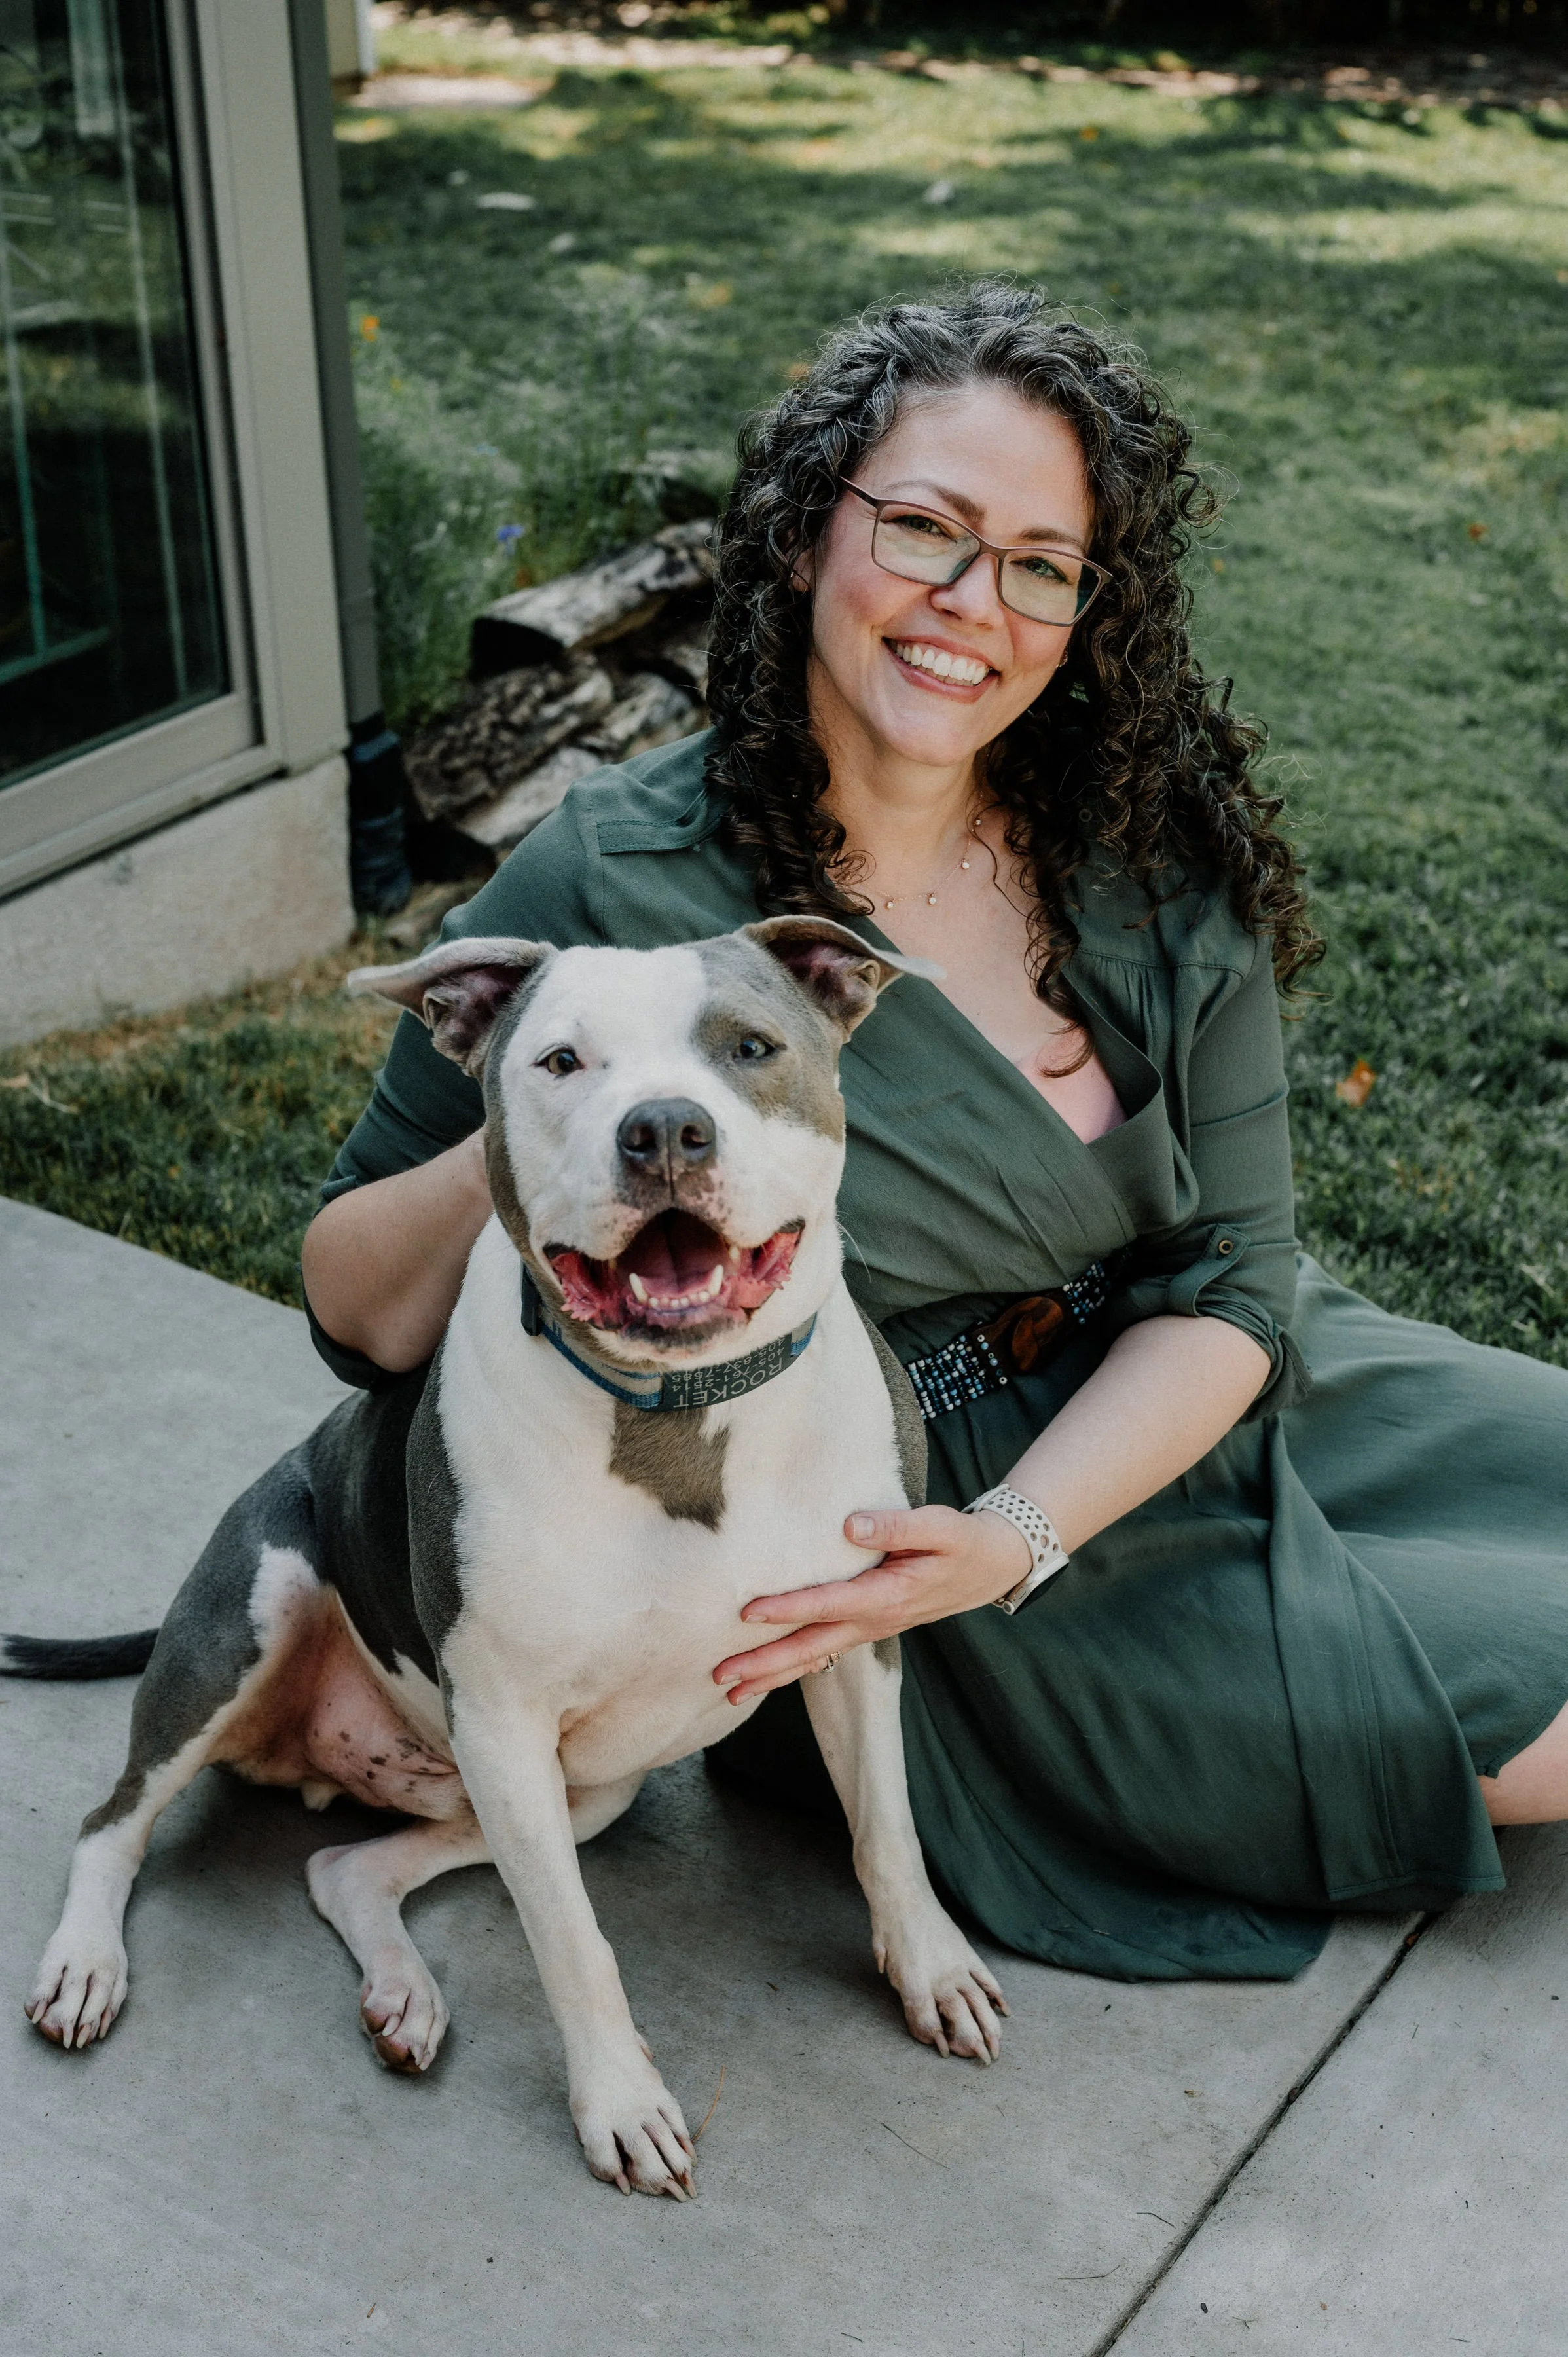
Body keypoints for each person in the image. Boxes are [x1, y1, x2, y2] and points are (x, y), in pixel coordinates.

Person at [301, 283, 1568, 1982]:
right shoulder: (615, 881)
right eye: (926, 529)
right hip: (899, 1518)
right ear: (813, 530)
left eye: (1042, 562)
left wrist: (1039, 1520)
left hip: (1197, 1395)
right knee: (1522, 1713)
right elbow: (353, 1310)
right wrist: (569, 1103)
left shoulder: (1149, 858)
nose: (976, 605)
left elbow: (1240, 1284)